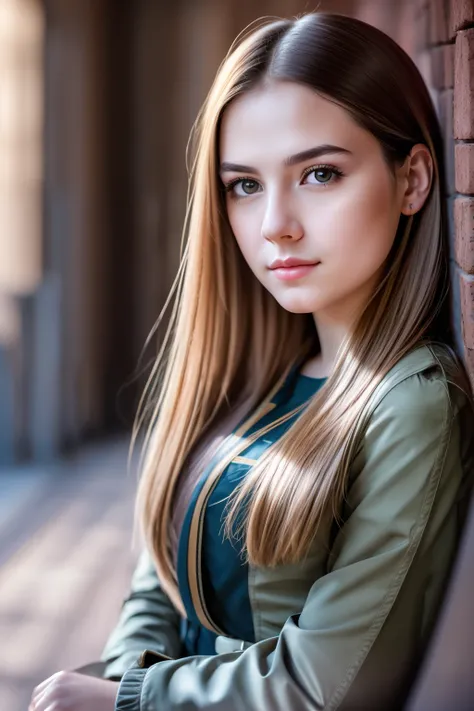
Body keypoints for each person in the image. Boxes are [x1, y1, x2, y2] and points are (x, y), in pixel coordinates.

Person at [29, 11, 474, 711]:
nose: (275, 225)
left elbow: (329, 682)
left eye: (320, 173)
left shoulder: (411, 402)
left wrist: (131, 697)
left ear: (414, 179)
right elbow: (159, 578)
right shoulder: (255, 368)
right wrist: (122, 679)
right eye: (245, 185)